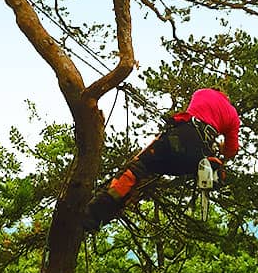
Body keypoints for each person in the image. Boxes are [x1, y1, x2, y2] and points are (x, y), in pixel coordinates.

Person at [83, 88, 240, 231]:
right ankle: (212, 167)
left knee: (137, 169)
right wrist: (221, 149)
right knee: (165, 170)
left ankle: (95, 214)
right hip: (196, 156)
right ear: (227, 99)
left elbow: (192, 113)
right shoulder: (233, 115)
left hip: (179, 137)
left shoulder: (201, 92)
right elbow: (231, 150)